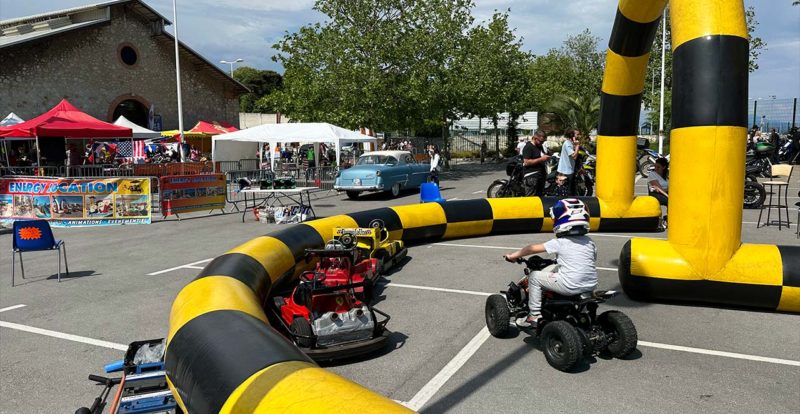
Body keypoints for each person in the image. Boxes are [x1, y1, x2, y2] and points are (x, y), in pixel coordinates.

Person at [504, 198, 597, 328]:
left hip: (569, 285)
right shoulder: (589, 242)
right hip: (591, 285)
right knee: (559, 269)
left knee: (535, 277)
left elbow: (531, 249)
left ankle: (534, 315)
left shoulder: (560, 242)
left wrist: (512, 256)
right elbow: (590, 259)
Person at [521, 131, 550, 196]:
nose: (542, 143)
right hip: (531, 176)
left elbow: (541, 155)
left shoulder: (539, 146)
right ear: (535, 138)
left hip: (540, 175)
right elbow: (526, 162)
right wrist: (541, 159)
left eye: (543, 142)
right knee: (531, 199)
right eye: (541, 141)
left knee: (539, 198)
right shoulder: (528, 147)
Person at [558, 130, 581, 195]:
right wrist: (577, 146)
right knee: (569, 192)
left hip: (570, 170)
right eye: (577, 134)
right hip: (566, 171)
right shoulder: (567, 144)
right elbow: (574, 156)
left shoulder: (571, 143)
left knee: (572, 191)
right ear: (572, 135)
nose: (579, 136)